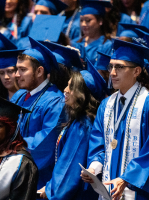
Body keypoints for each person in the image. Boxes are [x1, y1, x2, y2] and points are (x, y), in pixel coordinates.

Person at [82, 40, 149, 199]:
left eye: (120, 67)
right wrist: (94, 168)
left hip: (137, 192)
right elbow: (99, 142)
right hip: (109, 189)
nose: (113, 72)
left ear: (137, 71)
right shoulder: (106, 105)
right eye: (111, 67)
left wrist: (126, 179)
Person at [38, 61, 103, 200]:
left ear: (82, 93)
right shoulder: (77, 121)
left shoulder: (83, 126)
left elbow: (70, 166)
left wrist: (51, 190)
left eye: (71, 87)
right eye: (67, 85)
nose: (65, 90)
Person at [11, 38, 67, 190]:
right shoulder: (20, 96)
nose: (16, 75)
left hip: (39, 180)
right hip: (14, 173)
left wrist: (9, 145)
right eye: (17, 69)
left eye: (23, 70)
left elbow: (45, 143)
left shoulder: (55, 101)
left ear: (39, 71)